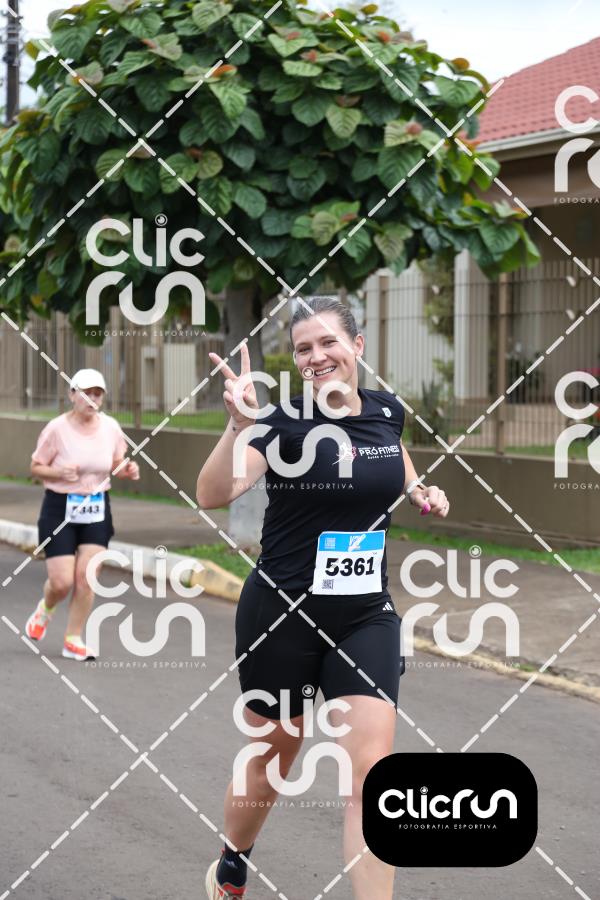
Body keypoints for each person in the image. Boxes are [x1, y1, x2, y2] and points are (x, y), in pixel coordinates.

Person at [197, 298, 450, 900]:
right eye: (303, 348)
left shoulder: (387, 411)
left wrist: (418, 488)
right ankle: (233, 858)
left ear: (356, 345)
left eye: (327, 342)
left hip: (365, 615)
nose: (316, 356)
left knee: (372, 778)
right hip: (281, 613)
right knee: (274, 758)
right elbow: (213, 493)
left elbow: (391, 453)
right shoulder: (281, 424)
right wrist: (237, 427)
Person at [25, 368, 139, 660]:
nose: (92, 399)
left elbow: (116, 462)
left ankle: (73, 639)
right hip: (59, 508)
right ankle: (46, 608)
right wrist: (58, 472)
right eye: (86, 393)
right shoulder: (56, 429)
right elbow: (36, 467)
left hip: (96, 508)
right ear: (72, 394)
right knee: (61, 582)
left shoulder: (111, 427)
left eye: (97, 394)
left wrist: (127, 469)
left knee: (87, 577)